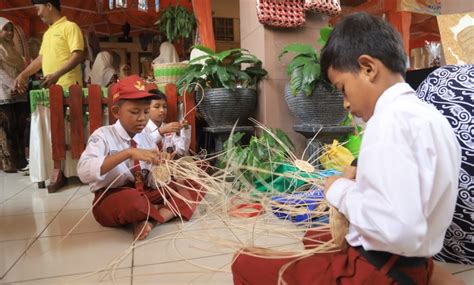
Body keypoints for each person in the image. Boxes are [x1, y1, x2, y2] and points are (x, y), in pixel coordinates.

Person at [231, 12, 462, 285]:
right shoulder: (430, 117)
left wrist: (339, 191)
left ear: (368, 68)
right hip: (415, 264)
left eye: (342, 89)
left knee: (244, 262)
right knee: (314, 237)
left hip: (376, 272)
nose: (346, 104)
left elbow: (399, 229)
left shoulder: (387, 122)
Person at [77, 75, 204, 240]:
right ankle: (157, 209)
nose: (142, 118)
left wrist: (163, 168)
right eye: (134, 112)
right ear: (116, 112)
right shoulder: (103, 135)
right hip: (114, 197)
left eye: (145, 112)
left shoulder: (145, 137)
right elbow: (83, 171)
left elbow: (151, 180)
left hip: (145, 191)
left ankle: (151, 220)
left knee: (196, 182)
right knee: (134, 201)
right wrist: (128, 153)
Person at [14, 0, 84, 92]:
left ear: (49, 6)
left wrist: (56, 75)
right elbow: (40, 60)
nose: (38, 14)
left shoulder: (70, 27)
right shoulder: (47, 33)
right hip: (52, 89)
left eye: (38, 9)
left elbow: (78, 56)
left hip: (70, 88)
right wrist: (23, 75)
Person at [0, 17, 28, 173]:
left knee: (20, 127)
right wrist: (13, 85)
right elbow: (1, 73)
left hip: (19, 93)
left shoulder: (13, 50)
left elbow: (23, 70)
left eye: (11, 29)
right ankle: (9, 163)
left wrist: (23, 84)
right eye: (6, 29)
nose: (10, 32)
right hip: (4, 94)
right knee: (7, 129)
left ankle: (21, 161)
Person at [144, 89, 191, 156]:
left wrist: (185, 129)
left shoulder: (169, 128)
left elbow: (181, 151)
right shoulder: (142, 128)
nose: (162, 110)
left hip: (168, 165)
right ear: (146, 109)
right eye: (157, 106)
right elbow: (143, 146)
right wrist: (161, 131)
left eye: (164, 106)